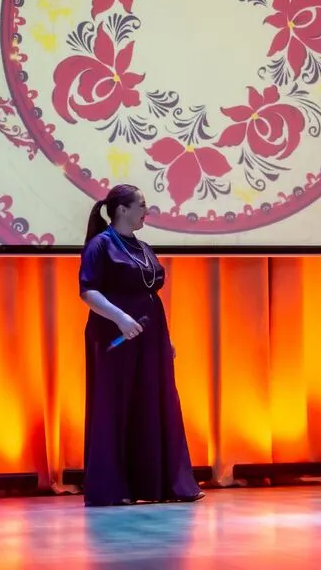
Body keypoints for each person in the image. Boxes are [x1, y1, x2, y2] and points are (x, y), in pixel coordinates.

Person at [78, 184, 205, 506]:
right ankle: (113, 487)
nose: (146, 211)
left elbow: (151, 295)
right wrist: (120, 318)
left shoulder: (144, 247)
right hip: (115, 333)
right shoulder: (100, 245)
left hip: (150, 332)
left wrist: (166, 337)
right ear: (123, 209)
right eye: (141, 205)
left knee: (155, 401)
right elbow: (88, 291)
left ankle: (161, 484)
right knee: (116, 402)